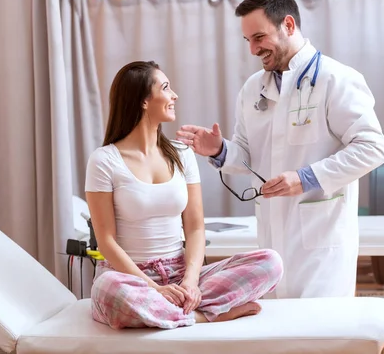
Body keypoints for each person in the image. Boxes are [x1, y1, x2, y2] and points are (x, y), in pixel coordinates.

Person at [176, 0, 384, 300]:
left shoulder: (335, 79)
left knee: (321, 341)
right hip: (271, 245)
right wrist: (220, 150)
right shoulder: (252, 90)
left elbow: (372, 148)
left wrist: (305, 178)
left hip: (321, 245)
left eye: (258, 37)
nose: (252, 50)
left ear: (288, 25)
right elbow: (247, 156)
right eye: (247, 40)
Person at [84, 60, 283, 330]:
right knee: (108, 290)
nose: (174, 95)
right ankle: (204, 315)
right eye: (165, 88)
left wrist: (190, 281)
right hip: (129, 278)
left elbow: (195, 227)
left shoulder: (182, 154)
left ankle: (168, 312)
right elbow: (106, 241)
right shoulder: (104, 160)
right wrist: (154, 288)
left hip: (180, 273)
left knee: (270, 262)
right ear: (143, 101)